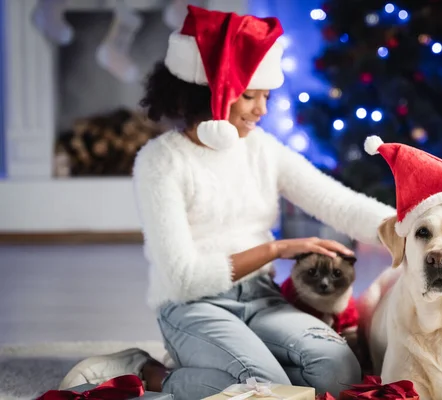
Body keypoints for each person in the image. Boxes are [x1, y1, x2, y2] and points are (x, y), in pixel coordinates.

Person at [58, 5, 396, 400]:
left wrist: (409, 225)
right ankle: (147, 370)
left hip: (260, 297)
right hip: (192, 305)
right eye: (250, 95)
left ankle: (227, 367)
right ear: (206, 92)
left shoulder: (262, 149)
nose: (262, 110)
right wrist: (277, 249)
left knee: (341, 372)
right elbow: (184, 277)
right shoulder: (160, 160)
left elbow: (337, 202)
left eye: (267, 96)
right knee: (265, 390)